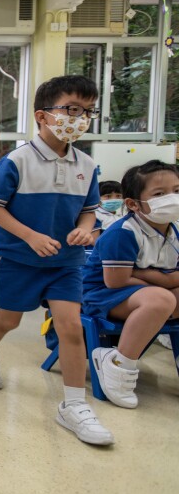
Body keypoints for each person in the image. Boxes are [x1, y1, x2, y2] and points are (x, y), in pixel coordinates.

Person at [0, 74, 114, 445]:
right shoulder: (18, 160)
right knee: (8, 320)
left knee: (70, 326)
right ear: (42, 115)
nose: (80, 118)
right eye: (71, 109)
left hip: (65, 262)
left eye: (87, 111)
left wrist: (86, 229)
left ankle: (73, 404)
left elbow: (89, 212)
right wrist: (31, 236)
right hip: (17, 256)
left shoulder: (87, 164)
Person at [82, 160, 179, 408]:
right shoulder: (123, 231)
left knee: (164, 298)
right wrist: (165, 280)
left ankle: (114, 355)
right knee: (163, 299)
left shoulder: (175, 230)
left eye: (176, 191)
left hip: (142, 292)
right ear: (133, 204)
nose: (171, 198)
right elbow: (116, 280)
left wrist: (155, 276)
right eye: (159, 194)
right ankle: (119, 364)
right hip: (103, 295)